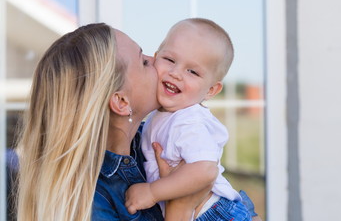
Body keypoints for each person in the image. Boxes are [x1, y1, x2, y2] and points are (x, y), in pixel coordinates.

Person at [15, 23, 210, 221]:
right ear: (121, 102)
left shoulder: (157, 137)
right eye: (143, 62)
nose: (156, 60)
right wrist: (181, 208)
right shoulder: (93, 205)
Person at [125, 18, 261, 221]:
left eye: (193, 71)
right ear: (155, 58)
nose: (176, 73)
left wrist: (153, 191)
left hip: (213, 214)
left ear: (211, 90)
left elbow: (205, 171)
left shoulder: (188, 120)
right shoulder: (162, 115)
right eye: (170, 60)